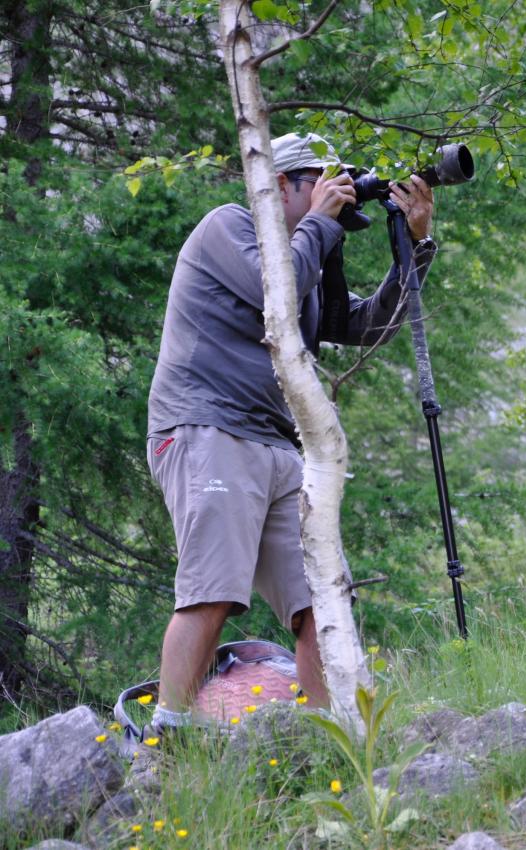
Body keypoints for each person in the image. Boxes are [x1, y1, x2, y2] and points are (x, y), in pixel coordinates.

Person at [144, 132, 436, 731]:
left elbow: (361, 326)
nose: (339, 193)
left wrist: (415, 244)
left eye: (343, 182)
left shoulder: (311, 249)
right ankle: (166, 739)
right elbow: (269, 288)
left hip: (279, 446)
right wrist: (322, 227)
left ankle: (331, 735)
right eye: (321, 182)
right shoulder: (226, 227)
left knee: (323, 600)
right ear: (278, 184)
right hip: (209, 427)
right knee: (213, 589)